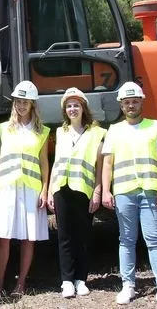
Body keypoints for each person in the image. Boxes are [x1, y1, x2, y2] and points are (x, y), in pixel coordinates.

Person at [101, 81, 157, 308]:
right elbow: (107, 163)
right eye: (127, 102)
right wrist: (106, 190)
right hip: (124, 191)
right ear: (121, 106)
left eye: (134, 101)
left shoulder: (155, 127)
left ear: (141, 102)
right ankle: (128, 285)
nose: (131, 105)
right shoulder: (114, 130)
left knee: (154, 240)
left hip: (150, 191)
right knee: (126, 240)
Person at [0, 80, 50, 297]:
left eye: (25, 102)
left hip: (30, 188)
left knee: (27, 238)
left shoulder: (42, 131)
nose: (21, 105)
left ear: (33, 104)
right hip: (7, 188)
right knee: (2, 237)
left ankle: (20, 284)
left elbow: (44, 163)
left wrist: (44, 189)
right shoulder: (5, 129)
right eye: (18, 101)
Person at [46, 87, 107, 298]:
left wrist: (97, 191)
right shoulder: (60, 132)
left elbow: (100, 167)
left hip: (84, 190)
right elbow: (56, 164)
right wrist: (50, 191)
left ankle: (81, 279)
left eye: (76, 105)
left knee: (82, 236)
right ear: (65, 110)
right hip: (61, 189)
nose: (73, 109)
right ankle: (66, 281)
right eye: (69, 106)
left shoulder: (98, 133)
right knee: (64, 236)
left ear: (84, 108)